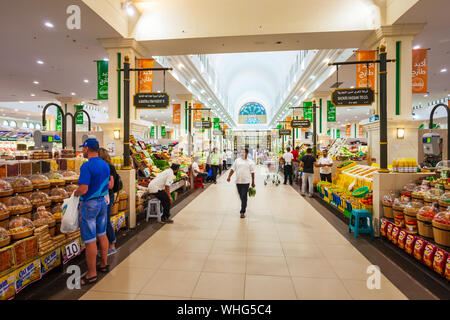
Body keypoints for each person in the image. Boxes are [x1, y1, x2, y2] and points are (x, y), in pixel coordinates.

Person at [74, 138, 111, 286]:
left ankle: (91, 274)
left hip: (89, 204)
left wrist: (74, 194)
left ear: (87, 149)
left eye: (83, 148)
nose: (82, 150)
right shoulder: (105, 164)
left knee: (89, 240)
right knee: (102, 234)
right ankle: (103, 264)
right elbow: (108, 184)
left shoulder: (86, 166)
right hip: (103, 202)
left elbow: (83, 189)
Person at [98, 148, 119, 256]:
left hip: (107, 196)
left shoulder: (109, 168)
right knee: (102, 221)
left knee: (105, 221)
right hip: (101, 196)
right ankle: (104, 246)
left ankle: (112, 245)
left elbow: (110, 185)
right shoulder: (101, 167)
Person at [227, 149, 255, 218]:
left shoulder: (250, 162)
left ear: (247, 153)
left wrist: (253, 182)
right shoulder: (237, 161)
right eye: (241, 152)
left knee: (243, 195)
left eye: (243, 152)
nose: (242, 153)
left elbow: (252, 172)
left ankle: (242, 211)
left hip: (246, 182)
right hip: (238, 181)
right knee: (241, 196)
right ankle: (244, 204)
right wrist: (229, 177)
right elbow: (233, 169)